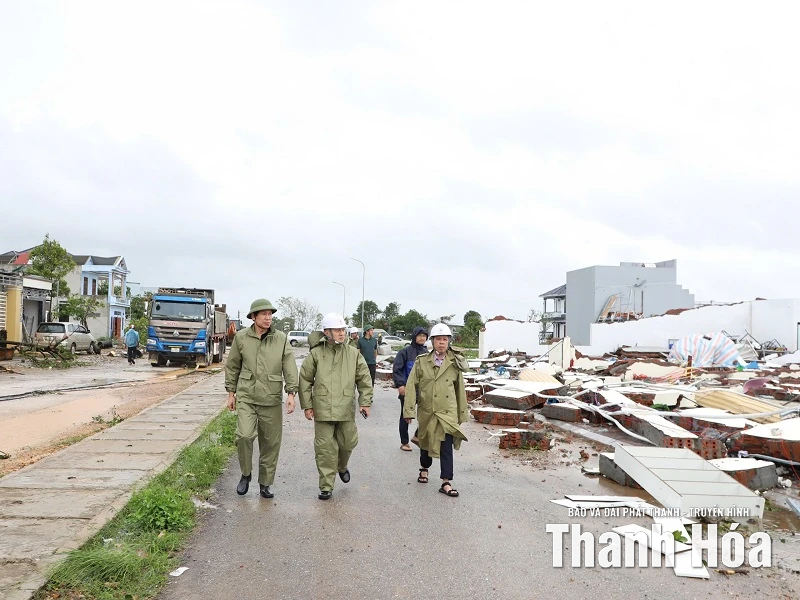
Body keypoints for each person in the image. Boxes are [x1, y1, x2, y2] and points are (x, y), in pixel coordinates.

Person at [225, 298, 299, 499]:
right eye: (264, 314)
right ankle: (246, 474)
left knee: (270, 443)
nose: (268, 318)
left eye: (270, 314)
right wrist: (231, 393)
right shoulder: (241, 338)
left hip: (271, 398)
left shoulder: (281, 338)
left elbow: (290, 367)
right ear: (253, 317)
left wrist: (291, 393)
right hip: (247, 397)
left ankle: (265, 483)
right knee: (244, 436)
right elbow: (233, 366)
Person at [299, 313, 373, 500]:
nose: (341, 333)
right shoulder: (316, 353)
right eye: (337, 330)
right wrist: (307, 405)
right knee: (325, 449)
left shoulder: (353, 353)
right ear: (326, 332)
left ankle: (341, 466)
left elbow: (364, 379)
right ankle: (326, 486)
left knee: (348, 442)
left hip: (346, 407)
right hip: (322, 408)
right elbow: (305, 379)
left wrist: (365, 401)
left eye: (343, 330)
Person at [403, 323, 468, 498]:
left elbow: (459, 389)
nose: (441, 343)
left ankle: (446, 481)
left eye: (444, 339)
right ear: (432, 341)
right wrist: (408, 410)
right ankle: (424, 467)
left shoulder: (454, 364)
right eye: (438, 339)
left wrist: (462, 413)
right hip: (427, 411)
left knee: (446, 446)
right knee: (425, 443)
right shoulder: (422, 362)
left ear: (449, 342)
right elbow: (411, 386)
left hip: (447, 413)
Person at [392, 326, 428, 451]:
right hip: (408, 388)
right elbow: (397, 369)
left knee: (427, 414)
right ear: (414, 337)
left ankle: (417, 436)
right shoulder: (405, 352)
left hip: (423, 390)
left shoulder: (427, 353)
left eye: (424, 336)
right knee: (405, 415)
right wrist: (400, 385)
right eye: (420, 335)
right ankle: (404, 442)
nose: (422, 338)